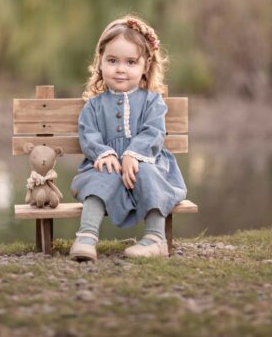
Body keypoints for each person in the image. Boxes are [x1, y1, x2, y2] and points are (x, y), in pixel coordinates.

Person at [69, 15, 187, 261]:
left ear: (145, 66)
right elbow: (88, 133)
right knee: (100, 177)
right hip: (106, 164)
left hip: (146, 162)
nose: (121, 69)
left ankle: (156, 239)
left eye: (131, 62)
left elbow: (154, 132)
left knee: (147, 174)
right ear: (100, 62)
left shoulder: (152, 101)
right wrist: (103, 153)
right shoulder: (94, 106)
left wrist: (134, 154)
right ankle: (86, 237)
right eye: (112, 60)